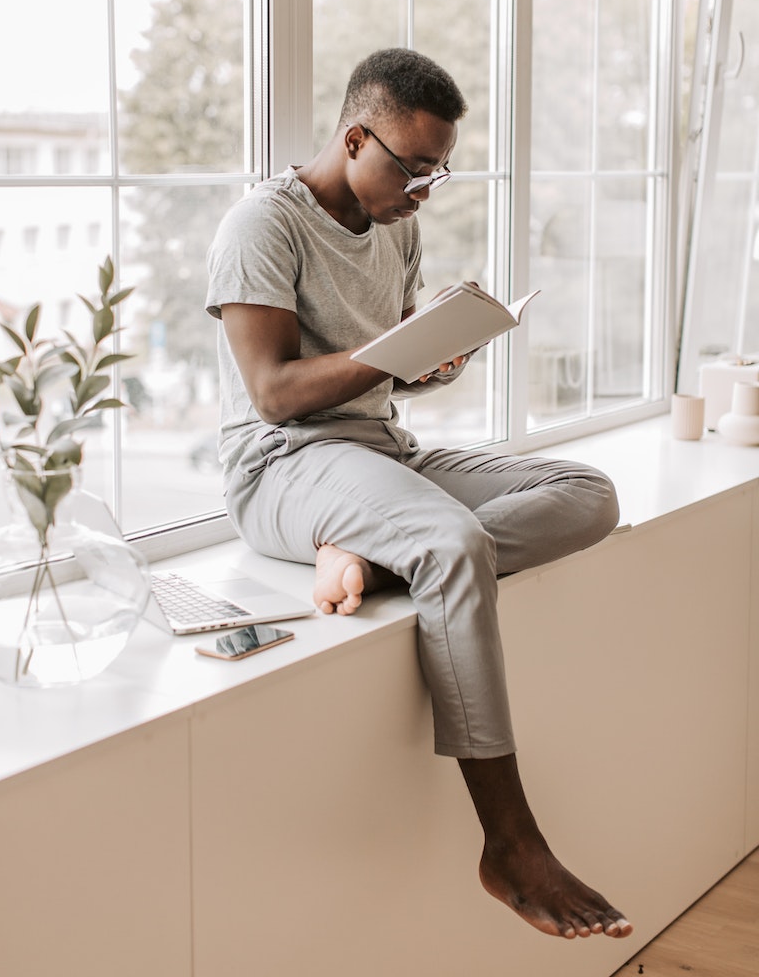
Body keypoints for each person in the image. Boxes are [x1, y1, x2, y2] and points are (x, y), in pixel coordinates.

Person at [205, 48, 633, 942]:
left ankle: (374, 550)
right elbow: (276, 394)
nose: (424, 190)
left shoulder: (394, 223)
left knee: (588, 494)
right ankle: (511, 841)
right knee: (450, 542)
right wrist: (387, 350)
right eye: (413, 167)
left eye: (439, 170)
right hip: (282, 464)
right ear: (356, 137)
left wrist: (432, 357)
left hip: (377, 452)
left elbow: (380, 381)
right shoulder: (262, 224)